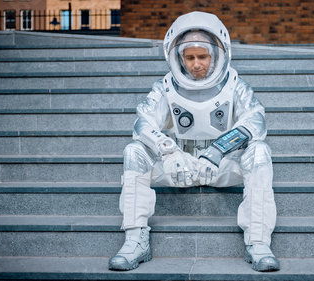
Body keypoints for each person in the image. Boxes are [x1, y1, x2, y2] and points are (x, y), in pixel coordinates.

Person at [108, 11, 279, 272]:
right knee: (134, 151)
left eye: (202, 56)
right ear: (179, 58)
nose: (196, 63)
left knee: (259, 152)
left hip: (222, 166)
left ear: (216, 56)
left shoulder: (236, 85)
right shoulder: (164, 88)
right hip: (180, 165)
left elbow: (255, 121)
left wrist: (219, 150)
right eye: (189, 57)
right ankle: (135, 240)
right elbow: (143, 123)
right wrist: (168, 151)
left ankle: (258, 242)